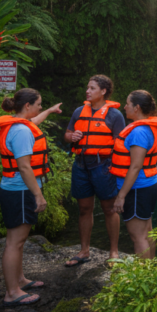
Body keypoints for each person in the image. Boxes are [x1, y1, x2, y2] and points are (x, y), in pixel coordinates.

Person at [0, 88, 61, 307]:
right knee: (15, 242)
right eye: (39, 104)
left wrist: (48, 111)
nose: (40, 107)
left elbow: (34, 121)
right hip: (20, 190)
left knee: (18, 241)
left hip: (15, 188)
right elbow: (24, 167)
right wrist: (38, 196)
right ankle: (12, 293)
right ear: (27, 106)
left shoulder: (17, 124)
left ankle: (19, 280)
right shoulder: (21, 131)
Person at [62, 75, 124, 267]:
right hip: (81, 164)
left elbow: (121, 144)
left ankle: (114, 251)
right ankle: (84, 250)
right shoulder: (79, 111)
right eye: (87, 88)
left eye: (92, 88)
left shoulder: (115, 115)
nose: (87, 91)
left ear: (103, 91)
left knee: (109, 208)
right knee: (84, 209)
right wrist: (72, 136)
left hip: (103, 165)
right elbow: (66, 135)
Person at [111, 90, 157, 259]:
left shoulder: (138, 132)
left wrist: (121, 196)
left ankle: (143, 279)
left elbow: (135, 166)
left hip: (137, 189)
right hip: (148, 185)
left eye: (127, 104)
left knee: (138, 236)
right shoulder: (148, 127)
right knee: (147, 232)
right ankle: (151, 274)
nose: (124, 107)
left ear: (136, 108)